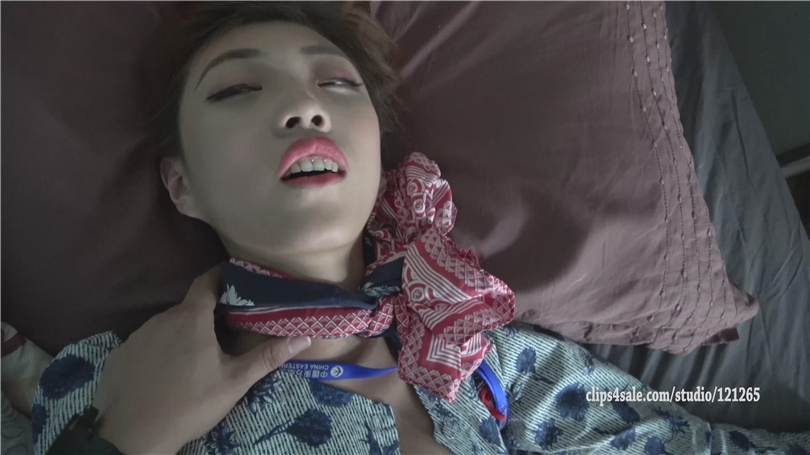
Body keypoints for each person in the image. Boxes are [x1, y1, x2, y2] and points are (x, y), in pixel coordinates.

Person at [33, 2, 810, 455]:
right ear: (180, 183)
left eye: (336, 83)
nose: (305, 107)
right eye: (237, 89)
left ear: (378, 155)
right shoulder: (106, 384)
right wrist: (122, 439)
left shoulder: (485, 355)